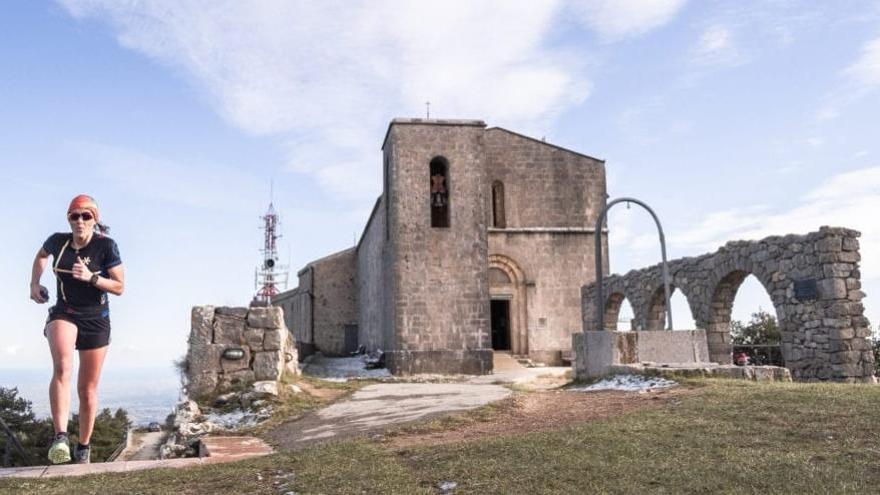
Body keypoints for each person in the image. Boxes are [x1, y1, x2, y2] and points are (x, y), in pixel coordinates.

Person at [29, 195, 124, 464]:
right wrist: (34, 285)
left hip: (96, 319)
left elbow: (119, 287)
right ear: (68, 219)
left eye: (86, 216)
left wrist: (92, 278)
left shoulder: (106, 246)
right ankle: (60, 438)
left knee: (87, 389)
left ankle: (83, 447)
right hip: (64, 312)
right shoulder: (57, 242)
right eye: (75, 216)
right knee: (62, 368)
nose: (80, 221)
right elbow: (41, 256)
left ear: (95, 219)